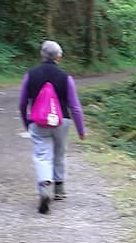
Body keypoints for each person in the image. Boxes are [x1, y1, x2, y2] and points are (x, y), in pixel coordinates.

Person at [18, 40, 86, 214]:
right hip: (61, 121)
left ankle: (44, 187)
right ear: (59, 57)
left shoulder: (31, 75)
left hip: (38, 121)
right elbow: (75, 106)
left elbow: (22, 102)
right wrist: (80, 129)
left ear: (42, 54)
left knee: (42, 156)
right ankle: (59, 189)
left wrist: (27, 122)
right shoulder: (66, 77)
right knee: (59, 153)